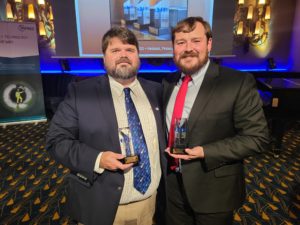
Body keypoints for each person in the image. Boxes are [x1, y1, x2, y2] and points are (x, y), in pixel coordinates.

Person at [46, 26, 166, 225]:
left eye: (129, 50)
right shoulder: (81, 93)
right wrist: (98, 159)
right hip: (102, 206)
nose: (123, 55)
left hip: (151, 204)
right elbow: (56, 141)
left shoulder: (158, 91)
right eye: (115, 50)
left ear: (138, 57)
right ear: (104, 58)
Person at [163, 17, 270, 225]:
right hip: (172, 187)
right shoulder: (168, 82)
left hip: (212, 191)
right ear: (173, 48)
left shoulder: (236, 83)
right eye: (181, 42)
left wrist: (205, 151)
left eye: (196, 41)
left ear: (209, 44)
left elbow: (257, 138)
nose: (188, 48)